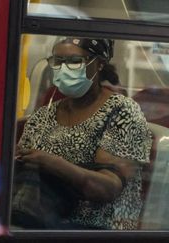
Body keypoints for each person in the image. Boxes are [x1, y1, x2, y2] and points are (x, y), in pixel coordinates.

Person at [12, 37, 152, 230]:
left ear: (100, 64)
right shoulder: (44, 115)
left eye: (75, 61)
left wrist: (53, 163)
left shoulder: (121, 111)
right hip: (41, 216)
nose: (63, 68)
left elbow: (107, 189)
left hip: (98, 226)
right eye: (58, 61)